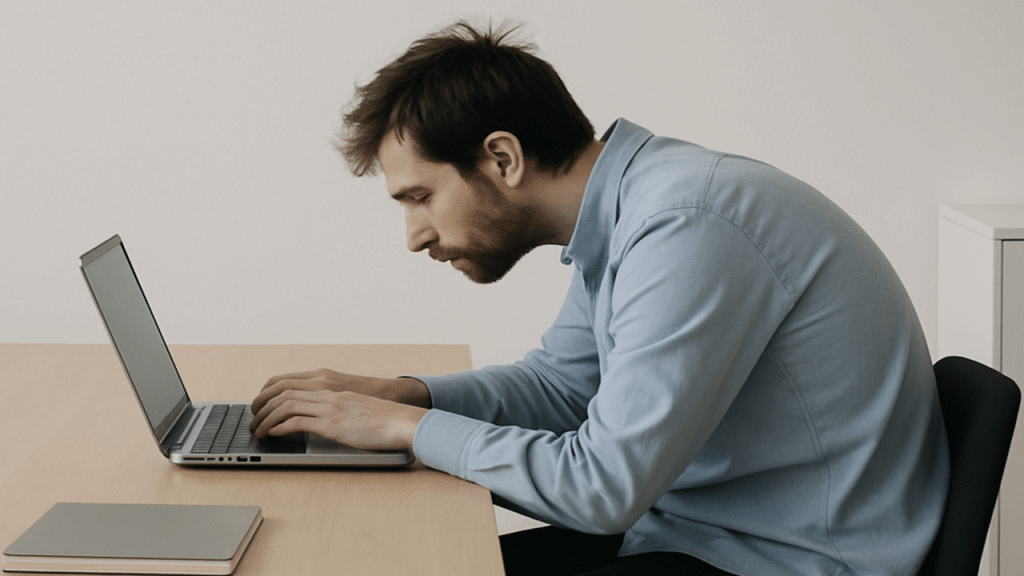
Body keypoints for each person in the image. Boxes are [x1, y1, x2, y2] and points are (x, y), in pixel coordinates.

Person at [249, 21, 949, 576]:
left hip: (788, 562)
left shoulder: (688, 225)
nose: (414, 237)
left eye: (420, 197)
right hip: (695, 539)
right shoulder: (635, 212)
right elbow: (564, 387)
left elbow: (600, 490)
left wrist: (402, 432)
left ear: (502, 158)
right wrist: (406, 397)